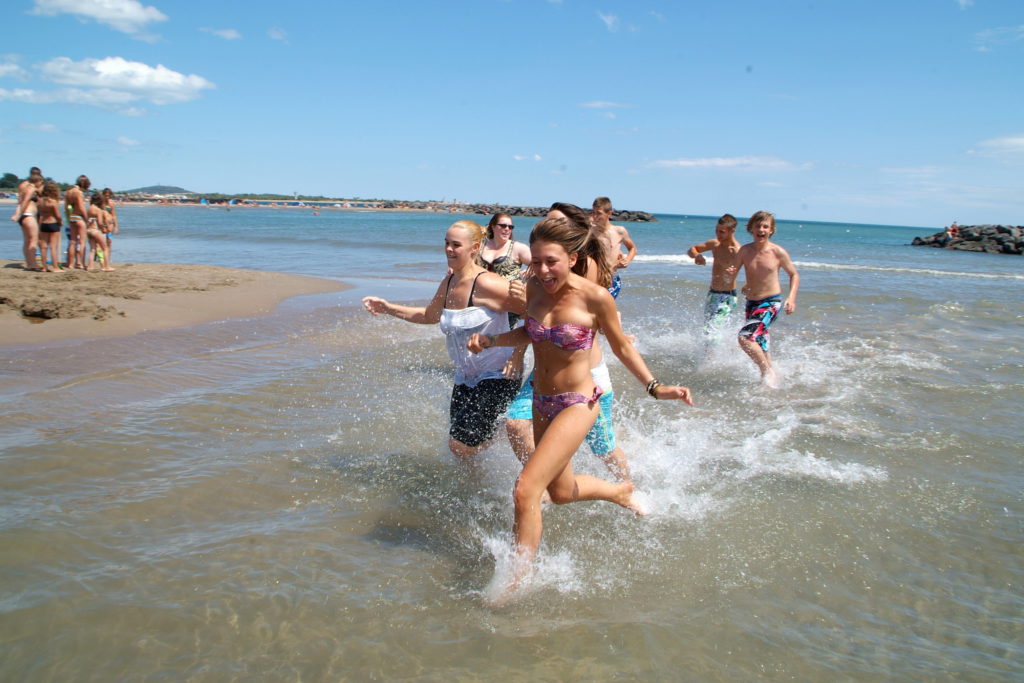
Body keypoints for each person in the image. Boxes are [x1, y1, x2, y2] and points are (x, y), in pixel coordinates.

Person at [468, 214, 694, 603]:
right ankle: (619, 492)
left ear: (572, 258)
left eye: (551, 261)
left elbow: (622, 347)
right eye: (537, 261)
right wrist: (493, 341)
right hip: (541, 400)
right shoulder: (534, 287)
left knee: (525, 490)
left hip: (579, 402)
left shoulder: (595, 297)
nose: (542, 270)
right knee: (560, 492)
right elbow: (530, 331)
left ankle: (515, 578)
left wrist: (655, 387)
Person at [362, 220, 526, 458]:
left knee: (460, 445)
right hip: (465, 378)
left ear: (474, 248)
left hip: (498, 375)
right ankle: (481, 474)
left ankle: (507, 431)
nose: (449, 249)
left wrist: (517, 356)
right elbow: (429, 315)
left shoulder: (488, 283)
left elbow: (534, 314)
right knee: (461, 450)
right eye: (446, 243)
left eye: (456, 245)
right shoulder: (449, 282)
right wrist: (388, 308)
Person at [505, 202, 630, 482]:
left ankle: (627, 487)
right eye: (548, 222)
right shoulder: (542, 267)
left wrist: (525, 301)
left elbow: (563, 317)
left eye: (559, 223)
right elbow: (535, 323)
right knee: (515, 424)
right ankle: (540, 484)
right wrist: (516, 352)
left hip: (586, 374)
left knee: (603, 447)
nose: (552, 228)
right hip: (546, 372)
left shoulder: (586, 266)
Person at [736, 211, 800, 388]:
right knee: (760, 341)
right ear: (751, 228)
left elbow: (794, 274)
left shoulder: (777, 252)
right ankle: (772, 381)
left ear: (771, 230)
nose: (761, 229)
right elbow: (734, 272)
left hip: (771, 302)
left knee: (745, 337)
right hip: (751, 303)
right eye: (758, 226)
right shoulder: (745, 251)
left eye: (765, 226)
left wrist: (791, 298)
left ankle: (766, 372)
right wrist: (732, 277)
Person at [687, 214, 742, 339]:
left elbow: (751, 269)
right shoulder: (715, 244)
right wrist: (697, 256)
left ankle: (716, 352)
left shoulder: (737, 251)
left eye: (722, 232)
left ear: (732, 231)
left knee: (713, 331)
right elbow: (692, 249)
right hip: (712, 294)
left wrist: (734, 273)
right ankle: (714, 351)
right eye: (716, 230)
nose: (718, 234)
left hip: (727, 296)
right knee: (707, 330)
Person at [590, 196, 636, 299]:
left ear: (609, 213)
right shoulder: (590, 231)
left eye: (599, 213)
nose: (595, 216)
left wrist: (627, 260)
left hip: (611, 278)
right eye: (593, 212)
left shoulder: (619, 231)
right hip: (593, 277)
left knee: (606, 305)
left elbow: (632, 248)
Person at [11, 167, 44, 271]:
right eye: (41, 181)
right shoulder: (31, 189)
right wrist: (18, 214)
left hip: (24, 216)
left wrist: (18, 214)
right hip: (29, 215)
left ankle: (30, 263)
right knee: (33, 240)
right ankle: (33, 264)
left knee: (27, 241)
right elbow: (24, 201)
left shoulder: (24, 187)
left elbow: (20, 202)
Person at [481, 213, 531, 281]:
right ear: (493, 226)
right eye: (503, 226)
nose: (507, 229)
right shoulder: (481, 245)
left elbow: (539, 264)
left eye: (510, 227)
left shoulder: (518, 248)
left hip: (508, 287)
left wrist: (531, 272)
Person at [64, 175, 90, 269]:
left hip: (71, 218)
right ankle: (80, 263)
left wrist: (68, 218)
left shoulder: (68, 192)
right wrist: (86, 218)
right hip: (79, 218)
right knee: (82, 242)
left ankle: (70, 263)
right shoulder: (78, 192)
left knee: (72, 241)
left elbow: (67, 208)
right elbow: (81, 207)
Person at [37, 181, 63, 272]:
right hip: (53, 223)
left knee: (43, 246)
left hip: (43, 224)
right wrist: (60, 222)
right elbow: (57, 215)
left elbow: (40, 214)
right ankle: (55, 267)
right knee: (53, 246)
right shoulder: (53, 202)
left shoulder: (40, 201)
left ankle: (44, 267)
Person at [86, 192, 114, 271]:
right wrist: (103, 229)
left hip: (88, 230)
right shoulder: (98, 210)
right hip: (95, 230)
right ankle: (107, 266)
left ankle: (90, 266)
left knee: (92, 249)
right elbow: (100, 222)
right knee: (105, 248)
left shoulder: (89, 208)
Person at [102, 188, 120, 266]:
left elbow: (114, 215)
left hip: (110, 224)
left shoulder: (111, 203)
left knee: (109, 242)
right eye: (106, 195)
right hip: (102, 224)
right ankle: (101, 259)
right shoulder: (100, 203)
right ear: (103, 195)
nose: (107, 197)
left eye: (108, 195)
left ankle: (108, 260)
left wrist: (116, 226)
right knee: (101, 242)